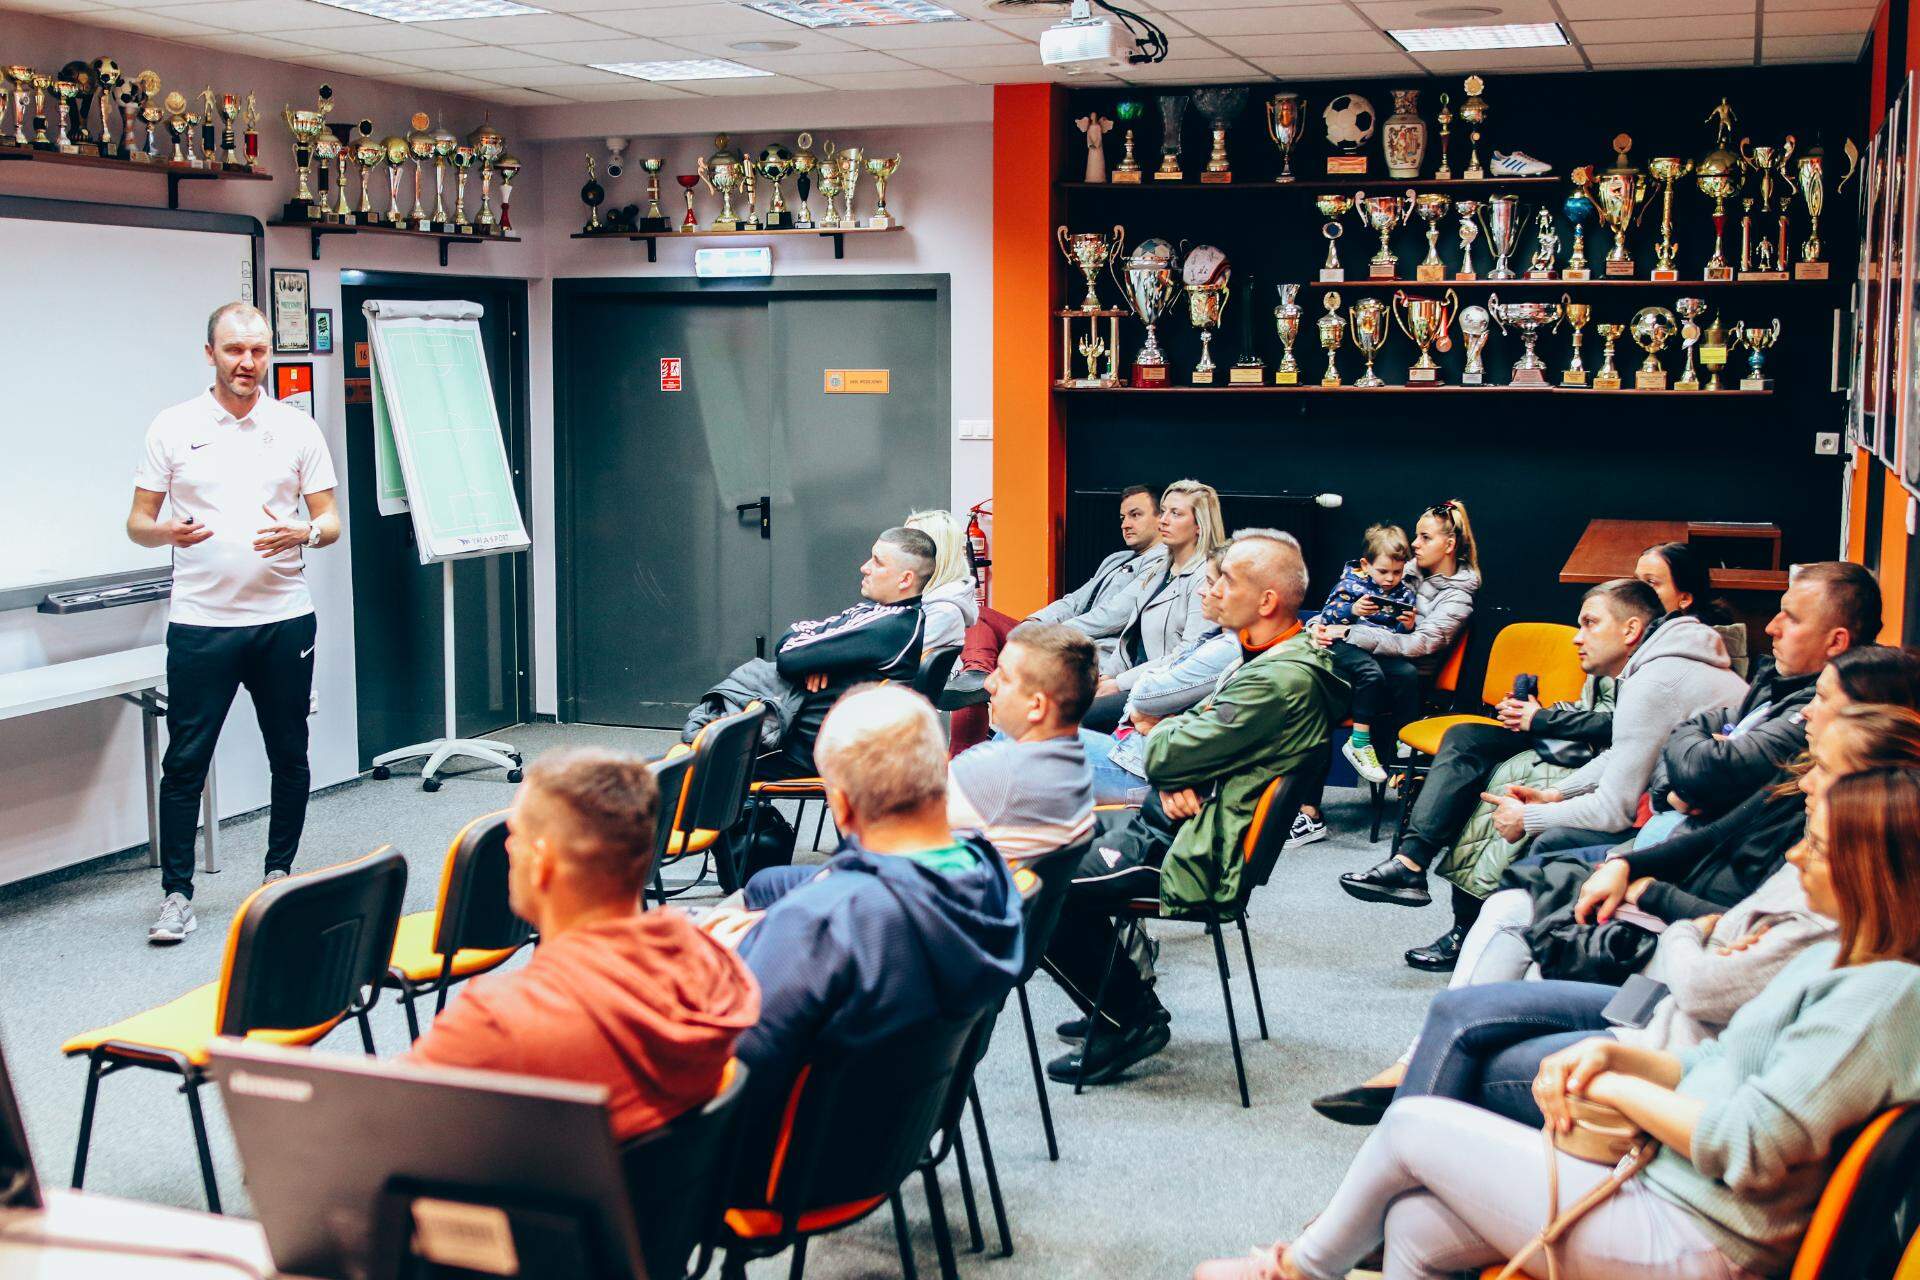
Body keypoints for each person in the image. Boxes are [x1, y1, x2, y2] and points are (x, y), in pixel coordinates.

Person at [1197, 761, 1920, 1280]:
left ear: (1874, 869)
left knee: (1413, 1124)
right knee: (1413, 1221)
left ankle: (1298, 1270)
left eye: (1818, 845)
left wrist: (1616, 1088)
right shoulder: (1838, 957)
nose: (1795, 854)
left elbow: (1749, 1143)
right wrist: (1618, 1059)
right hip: (1668, 1193)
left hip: (1703, 1241)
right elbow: (1718, 1067)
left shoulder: (1884, 995)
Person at [1316, 660, 1920, 1130]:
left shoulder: (1843, 851)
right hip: (1678, 924)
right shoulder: (1801, 786)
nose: (1806, 712)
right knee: (1520, 901)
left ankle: (1426, 1104)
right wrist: (1628, 865)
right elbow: (1699, 812)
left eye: (1824, 701)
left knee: (1514, 967)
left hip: (1680, 965)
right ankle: (1423, 1081)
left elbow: (1722, 944)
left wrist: (1656, 896)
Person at [1042, 531, 1344, 1085]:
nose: (1215, 588)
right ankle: (1117, 998)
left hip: (1194, 847)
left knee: (1039, 884)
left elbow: (1165, 746)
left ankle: (1128, 1019)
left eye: (1227, 580)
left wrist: (1163, 742)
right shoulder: (1269, 656)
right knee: (1053, 843)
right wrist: (1176, 763)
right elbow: (1187, 737)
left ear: (1267, 601)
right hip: (1182, 817)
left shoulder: (1277, 678)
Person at [1341, 579, 1746, 969]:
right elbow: (1622, 751)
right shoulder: (1663, 664)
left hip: (1704, 835)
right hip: (1681, 809)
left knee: (1548, 838)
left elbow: (1613, 810)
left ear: (1631, 629)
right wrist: (1559, 795)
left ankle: (1518, 948)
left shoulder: (1655, 680)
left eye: (1590, 623)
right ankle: (1428, 880)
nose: (1577, 637)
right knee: (1476, 747)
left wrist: (1531, 816)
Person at [726, 684, 1024, 1171]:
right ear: (941, 771)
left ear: (841, 805)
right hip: (896, 1138)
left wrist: (722, 965)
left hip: (792, 1168)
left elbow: (732, 1066)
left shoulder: (821, 925)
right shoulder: (991, 876)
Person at [405, 749, 760, 1140]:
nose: (508, 848)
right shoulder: (707, 961)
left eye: (516, 835)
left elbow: (380, 1128)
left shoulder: (497, 1017)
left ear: (541, 860)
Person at [131, 302, 340, 945]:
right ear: (210, 354)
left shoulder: (296, 428)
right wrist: (165, 531)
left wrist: (305, 531)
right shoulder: (174, 427)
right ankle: (177, 895)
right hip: (201, 624)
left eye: (258, 350)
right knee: (185, 762)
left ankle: (279, 876)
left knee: (290, 753)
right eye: (234, 350)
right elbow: (137, 523)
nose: (248, 363)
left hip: (283, 620)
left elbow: (330, 522)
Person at [1291, 500, 1481, 844]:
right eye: (1416, 537)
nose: (1415, 544)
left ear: (1449, 544)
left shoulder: (1457, 597)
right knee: (1310, 694)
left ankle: (1309, 809)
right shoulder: (1402, 567)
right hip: (1367, 665)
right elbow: (1348, 599)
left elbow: (1419, 645)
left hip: (1402, 683)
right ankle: (1304, 809)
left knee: (1318, 703)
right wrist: (1319, 626)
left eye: (1425, 538)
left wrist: (1351, 633)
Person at [1646, 560, 1877, 831]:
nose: (1771, 627)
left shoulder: (1816, 713)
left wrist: (1687, 773)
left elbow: (1706, 771)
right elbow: (1681, 732)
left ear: (1836, 641)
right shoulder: (1776, 682)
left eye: (1792, 618)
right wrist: (1671, 790)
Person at [946, 485, 1168, 756]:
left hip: (1088, 653)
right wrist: (1034, 623)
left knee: (992, 672)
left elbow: (1114, 615)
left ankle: (965, 750)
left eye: (1135, 515)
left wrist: (1049, 635)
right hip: (1057, 639)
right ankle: (976, 674)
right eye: (1123, 518)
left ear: (1161, 518)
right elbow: (1073, 600)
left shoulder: (1163, 562)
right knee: (976, 616)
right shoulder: (1117, 559)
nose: (1126, 524)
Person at [764, 525, 934, 778]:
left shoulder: (889, 627)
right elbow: (796, 635)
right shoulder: (874, 611)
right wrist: (818, 661)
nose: (865, 567)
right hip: (808, 738)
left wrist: (814, 659)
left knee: (713, 758)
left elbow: (789, 655)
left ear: (905, 580)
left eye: (877, 562)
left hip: (807, 750)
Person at [1080, 547, 1238, 805]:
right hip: (1134, 748)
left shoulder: (1228, 649)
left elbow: (1143, 695)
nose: (1202, 591)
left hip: (1142, 769)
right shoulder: (1213, 638)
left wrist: (1144, 710)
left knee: (1030, 744)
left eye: (1210, 583)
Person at [1072, 479, 1229, 722]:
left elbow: (1187, 655)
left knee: (1071, 719)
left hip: (1160, 690)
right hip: (1126, 678)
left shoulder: (1205, 579)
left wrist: (1118, 683)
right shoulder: (1158, 569)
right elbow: (1129, 636)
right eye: (1163, 511)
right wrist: (1107, 677)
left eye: (1175, 513)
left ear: (1199, 525)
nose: (1163, 520)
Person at [947, 622, 1098, 860]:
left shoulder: (993, 771)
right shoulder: (1076, 763)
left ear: (1036, 706)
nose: (989, 684)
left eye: (1004, 676)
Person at [1314, 523, 1419, 785]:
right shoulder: (1350, 585)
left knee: (1407, 674)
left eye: (1397, 572)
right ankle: (1359, 742)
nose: (1390, 578)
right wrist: (1353, 610)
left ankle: (1404, 738)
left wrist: (1407, 626)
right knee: (1370, 673)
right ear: (1366, 564)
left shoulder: (1404, 592)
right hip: (1344, 645)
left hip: (1377, 649)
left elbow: (1395, 633)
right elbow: (1328, 616)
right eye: (1383, 571)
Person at [1635, 541, 1748, 676]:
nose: (1634, 590)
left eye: (1651, 582)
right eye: (1636, 580)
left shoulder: (1698, 651)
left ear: (1685, 599)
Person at [904, 508, 980, 654]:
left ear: (936, 553)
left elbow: (892, 659)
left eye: (907, 546)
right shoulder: (916, 601)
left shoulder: (943, 612)